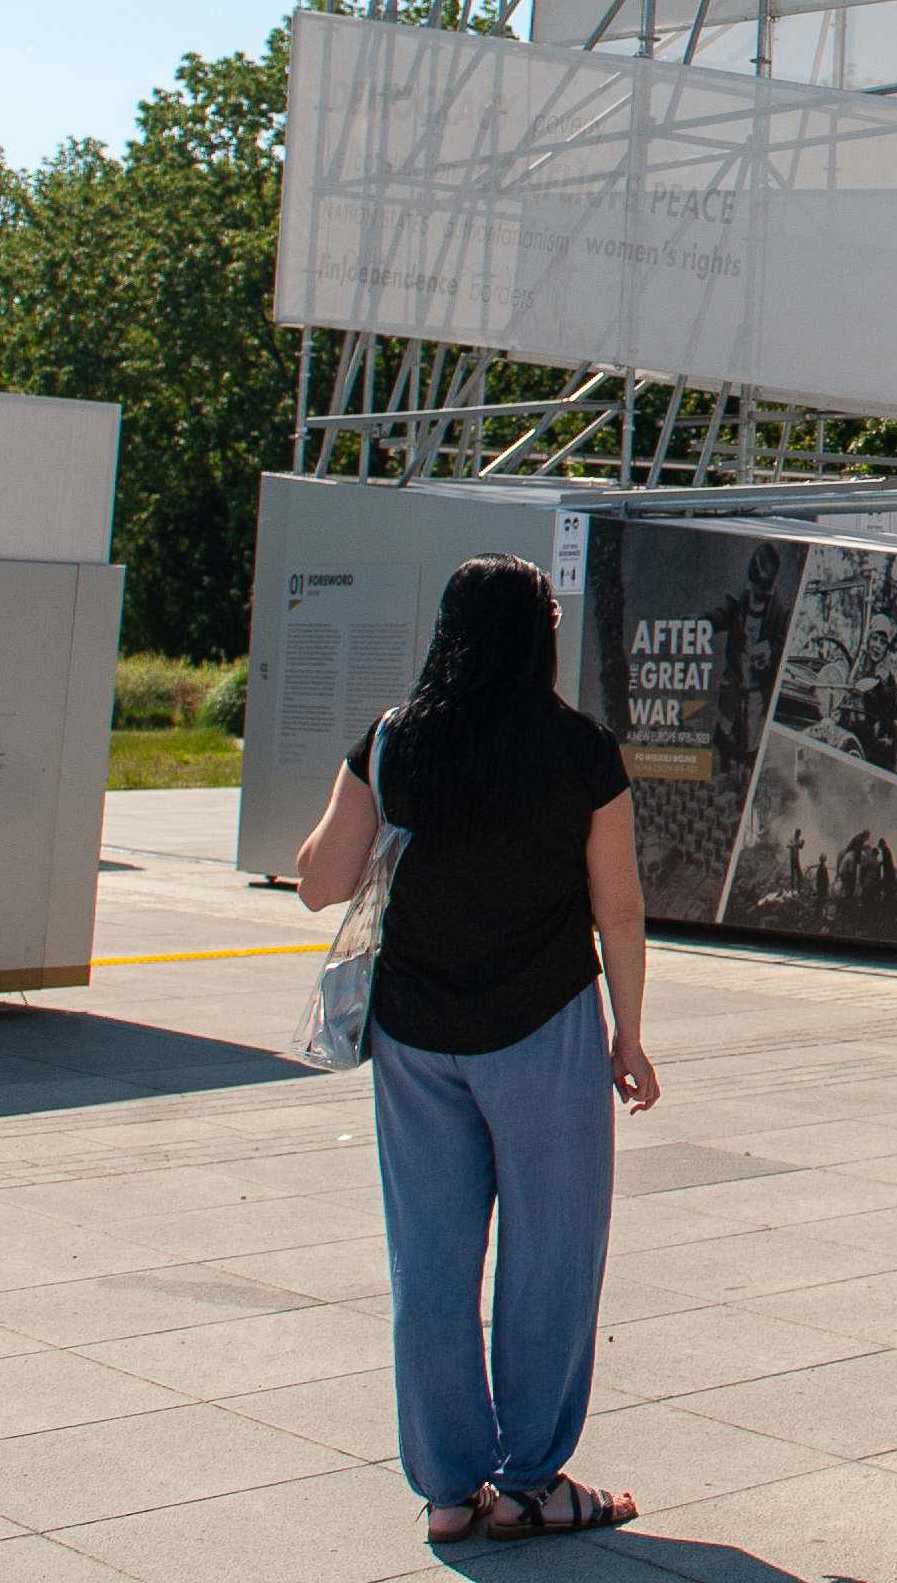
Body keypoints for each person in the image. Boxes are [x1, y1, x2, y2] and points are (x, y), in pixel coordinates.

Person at [299, 553, 658, 1546]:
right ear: (540, 629)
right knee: (551, 1256)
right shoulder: (579, 747)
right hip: (543, 1026)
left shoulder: (394, 739)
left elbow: (319, 881)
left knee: (431, 1259)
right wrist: (628, 1036)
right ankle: (534, 1483)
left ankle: (450, 1491)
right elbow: (617, 906)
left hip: (414, 1035)